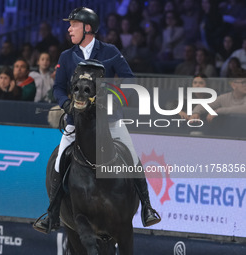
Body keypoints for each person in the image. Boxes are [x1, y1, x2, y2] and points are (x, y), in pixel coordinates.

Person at [34, 7, 161, 234]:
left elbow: (129, 80)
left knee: (132, 156)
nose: (69, 28)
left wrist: (111, 100)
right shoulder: (66, 56)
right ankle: (52, 212)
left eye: (73, 24)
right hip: (76, 122)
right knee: (59, 159)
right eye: (70, 24)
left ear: (88, 28)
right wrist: (66, 105)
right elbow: (59, 88)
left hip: (109, 121)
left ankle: (147, 208)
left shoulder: (110, 51)